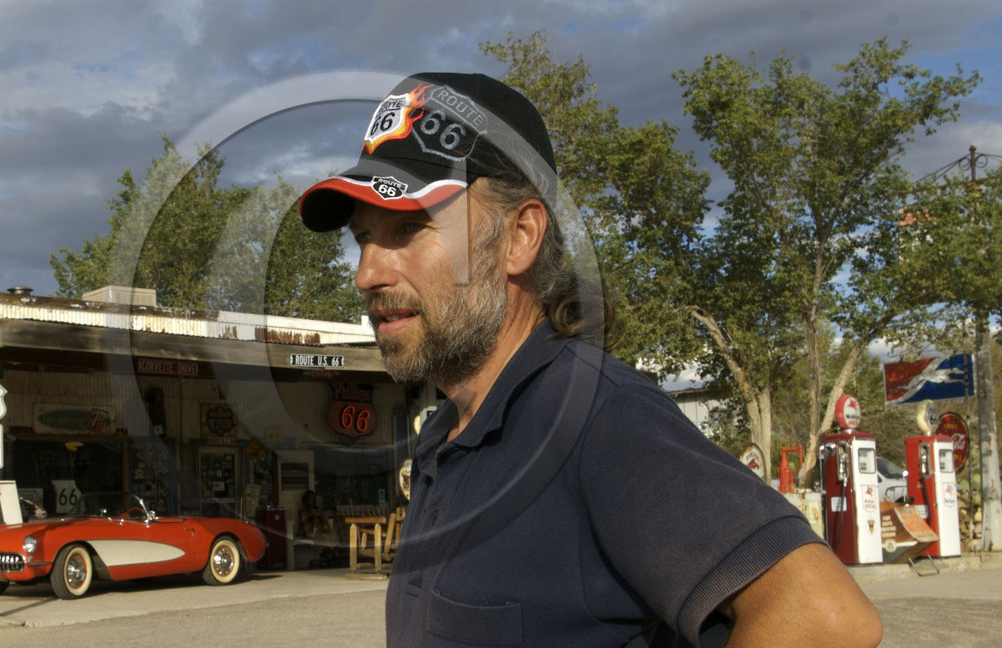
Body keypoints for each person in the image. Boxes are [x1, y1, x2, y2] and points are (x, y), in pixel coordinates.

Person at [298, 72, 881, 647]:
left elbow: (823, 616)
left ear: (519, 237)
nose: (367, 273)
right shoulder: (444, 437)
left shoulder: (599, 421)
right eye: (363, 236)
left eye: (408, 227)